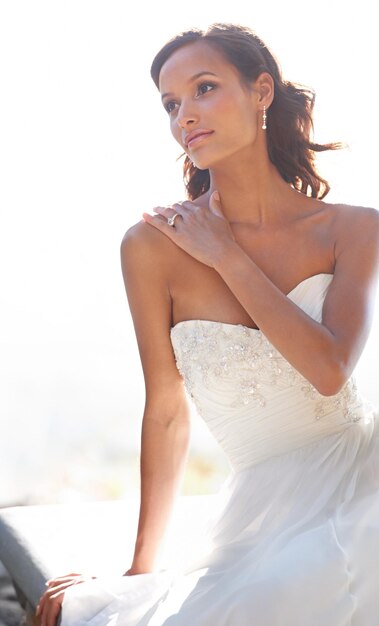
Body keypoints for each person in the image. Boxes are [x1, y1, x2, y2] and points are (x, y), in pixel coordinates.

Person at [37, 22, 379, 626]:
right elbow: (165, 410)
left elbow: (329, 370)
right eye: (171, 104)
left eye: (204, 88)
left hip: (363, 479)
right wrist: (140, 570)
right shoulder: (150, 246)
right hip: (261, 508)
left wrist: (225, 253)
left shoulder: (352, 230)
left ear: (261, 92)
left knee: (305, 583)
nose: (184, 116)